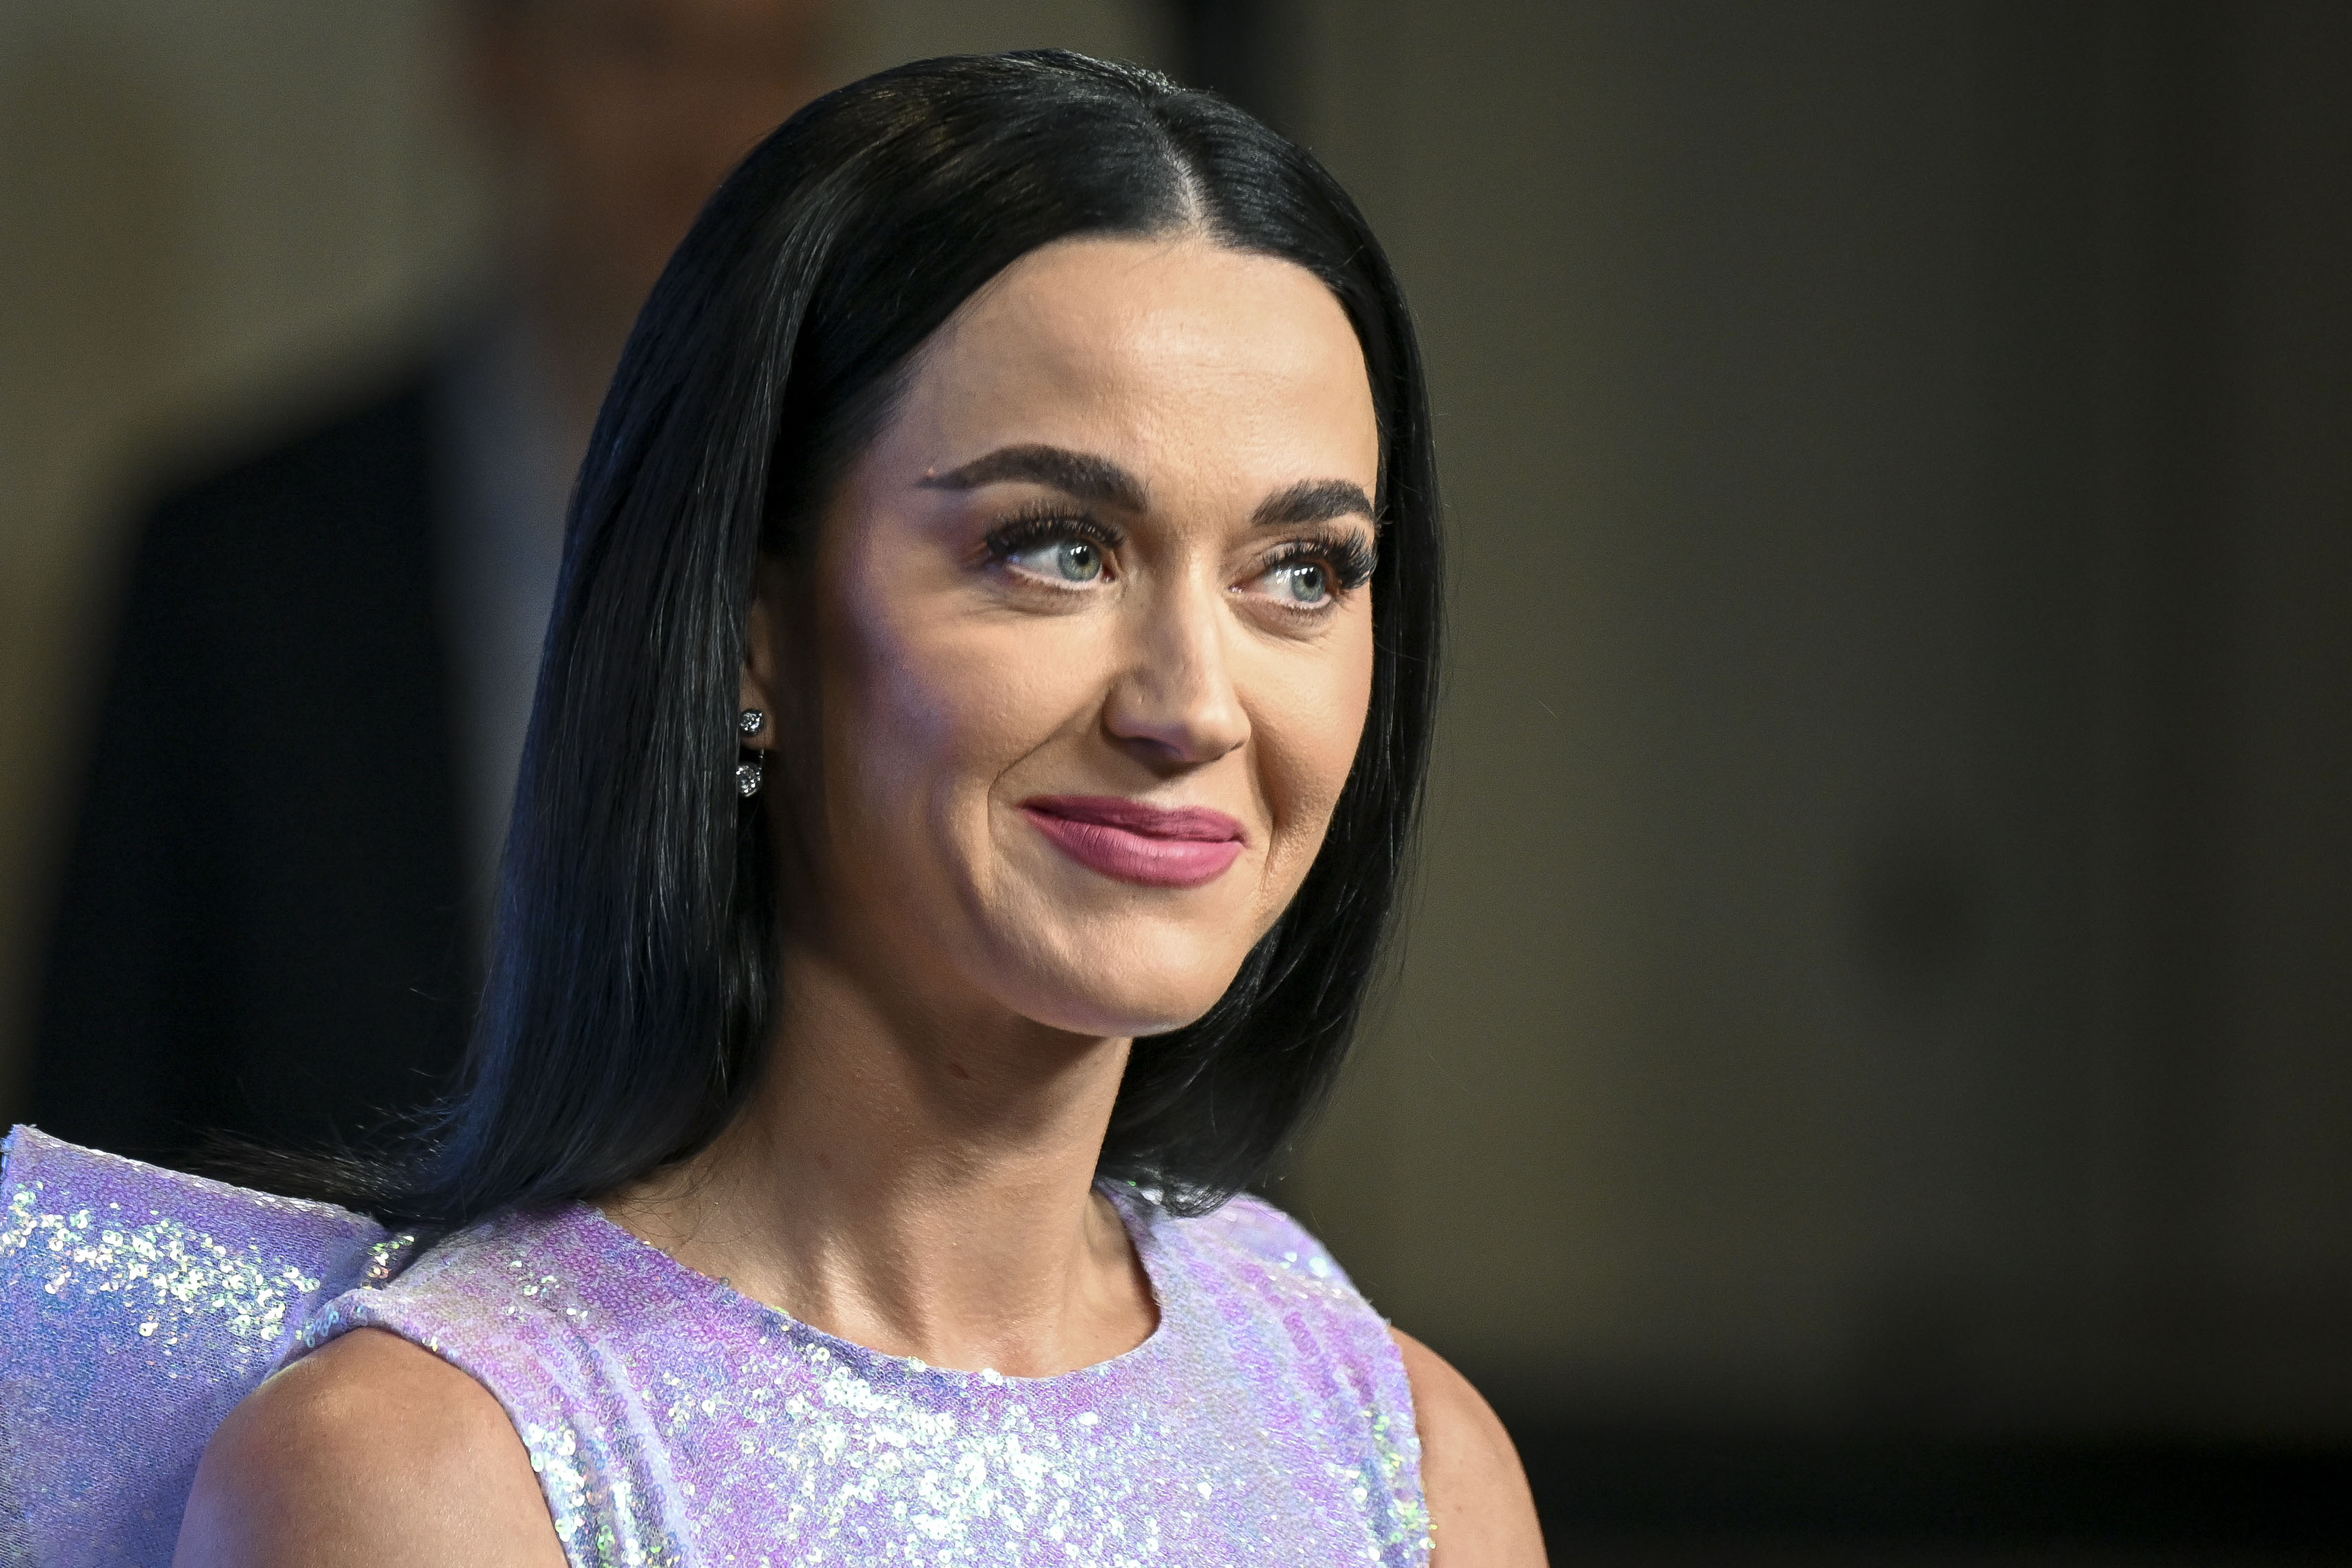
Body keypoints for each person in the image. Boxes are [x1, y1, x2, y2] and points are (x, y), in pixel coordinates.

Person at [1, 52, 1545, 1566]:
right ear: (750, 629)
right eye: (1056, 546)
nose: (1192, 703)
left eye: (1301, 570)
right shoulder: (426, 1476)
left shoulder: (1401, 1451)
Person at [28, 0, 832, 1169]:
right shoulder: (235, 552)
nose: (705, 121)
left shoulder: (873, 536)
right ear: (498, 60)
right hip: (298, 1311)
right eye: (641, 45)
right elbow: (99, 1093)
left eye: (768, 62)